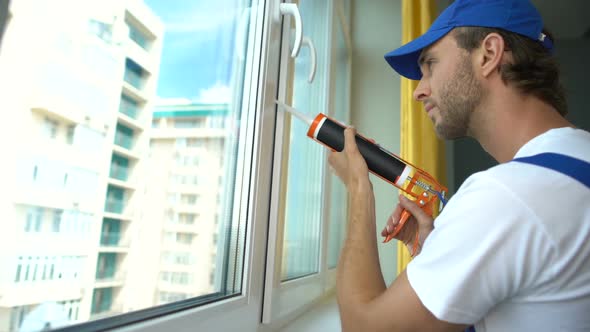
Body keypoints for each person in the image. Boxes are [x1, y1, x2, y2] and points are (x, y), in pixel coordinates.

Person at [328, 0, 590, 331]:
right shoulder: (576, 158)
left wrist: (358, 188)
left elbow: (363, 327)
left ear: (489, 53)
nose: (419, 92)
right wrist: (442, 261)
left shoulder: (506, 197)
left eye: (430, 65)